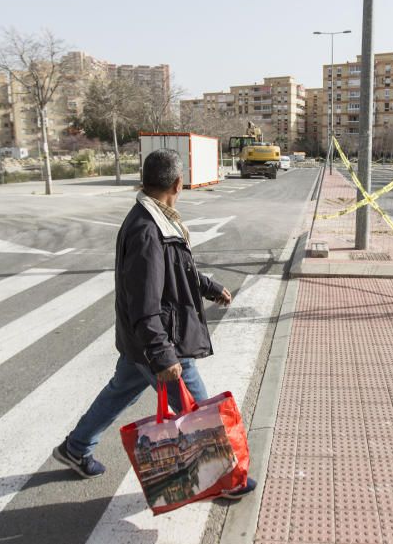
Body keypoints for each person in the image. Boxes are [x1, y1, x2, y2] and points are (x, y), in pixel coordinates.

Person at [53, 148, 256, 499]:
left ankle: (76, 447)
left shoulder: (156, 219)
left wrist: (208, 287)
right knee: (197, 410)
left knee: (119, 393)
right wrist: (164, 357)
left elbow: (177, 271)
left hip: (143, 342)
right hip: (161, 341)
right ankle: (225, 478)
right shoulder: (148, 230)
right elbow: (144, 303)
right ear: (178, 183)